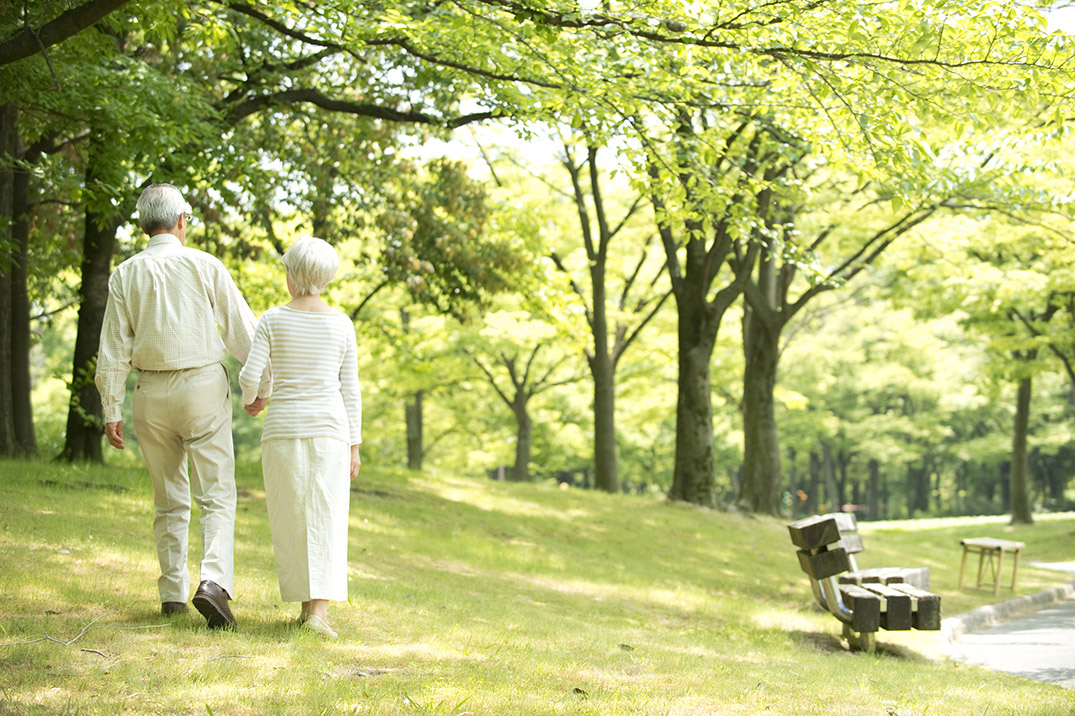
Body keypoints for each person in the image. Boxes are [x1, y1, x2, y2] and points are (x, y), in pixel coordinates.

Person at [95, 183, 270, 629]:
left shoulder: (125, 274)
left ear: (142, 226)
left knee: (168, 498)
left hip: (149, 394)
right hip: (200, 388)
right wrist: (260, 387)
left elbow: (114, 346)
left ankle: (172, 592)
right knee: (216, 494)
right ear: (181, 222)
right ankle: (213, 583)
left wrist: (110, 408)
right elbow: (241, 331)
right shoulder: (204, 264)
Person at [238, 236, 361, 640]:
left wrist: (254, 399)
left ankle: (309, 607)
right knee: (326, 516)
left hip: (284, 429)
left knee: (290, 514)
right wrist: (355, 445)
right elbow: (350, 389)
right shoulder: (342, 323)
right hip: (330, 432)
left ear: (294, 275)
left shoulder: (272, 319)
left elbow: (249, 375)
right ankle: (317, 612)